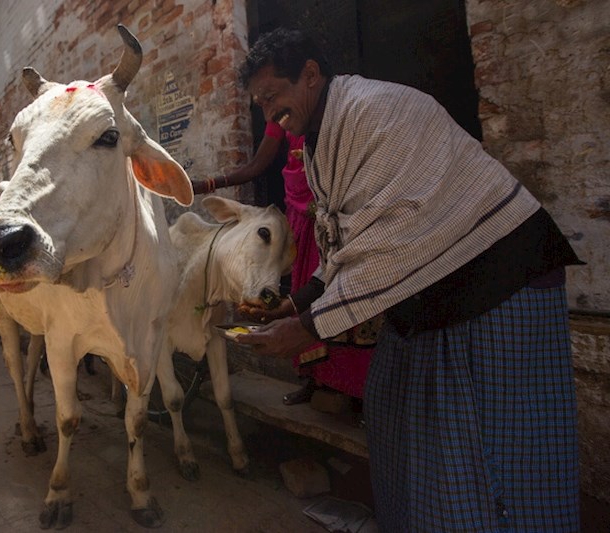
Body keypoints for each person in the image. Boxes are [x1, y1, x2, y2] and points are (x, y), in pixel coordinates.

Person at [235, 28, 581, 531]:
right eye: (260, 105)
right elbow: (344, 240)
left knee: (500, 453)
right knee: (397, 410)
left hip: (500, 286)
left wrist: (306, 329)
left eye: (272, 98)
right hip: (438, 296)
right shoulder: (320, 142)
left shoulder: (376, 112)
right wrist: (298, 302)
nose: (269, 115)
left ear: (310, 75)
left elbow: (391, 244)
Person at [193, 122, 378, 411]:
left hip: (331, 209)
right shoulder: (280, 118)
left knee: (339, 291)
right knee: (302, 290)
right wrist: (208, 185)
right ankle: (314, 381)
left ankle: (359, 391)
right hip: (298, 213)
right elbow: (257, 165)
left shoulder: (334, 114)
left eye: (271, 98)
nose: (271, 108)